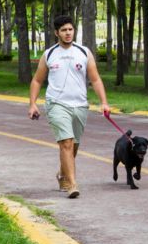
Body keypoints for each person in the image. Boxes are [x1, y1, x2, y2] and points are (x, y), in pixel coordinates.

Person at [28, 15, 111, 198]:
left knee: (73, 146)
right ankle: (73, 184)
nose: (67, 33)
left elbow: (95, 79)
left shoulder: (84, 52)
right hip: (56, 104)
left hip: (80, 105)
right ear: (56, 33)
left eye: (70, 29)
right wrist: (33, 104)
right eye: (64, 30)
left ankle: (62, 174)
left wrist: (104, 102)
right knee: (66, 143)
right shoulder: (49, 54)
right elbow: (37, 80)